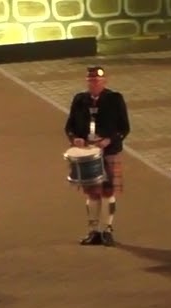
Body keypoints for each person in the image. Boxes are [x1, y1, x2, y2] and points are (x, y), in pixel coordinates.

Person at [65, 67, 130, 246]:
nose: (94, 83)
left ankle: (107, 230)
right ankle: (93, 231)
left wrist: (109, 140)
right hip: (87, 153)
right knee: (92, 193)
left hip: (109, 152)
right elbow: (69, 126)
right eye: (91, 81)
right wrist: (74, 138)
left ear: (104, 82)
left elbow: (124, 127)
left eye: (97, 81)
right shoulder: (80, 100)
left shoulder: (115, 99)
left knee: (108, 191)